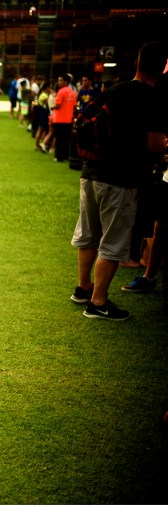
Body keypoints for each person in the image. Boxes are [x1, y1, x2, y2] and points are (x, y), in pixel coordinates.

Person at [70, 42, 168, 320]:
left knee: (89, 234)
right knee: (113, 241)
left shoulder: (114, 90)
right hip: (121, 178)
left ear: (137, 62)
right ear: (162, 68)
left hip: (91, 172)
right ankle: (98, 302)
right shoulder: (154, 99)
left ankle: (83, 288)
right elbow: (154, 145)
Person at [52, 74, 77, 162]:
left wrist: (52, 107)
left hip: (59, 119)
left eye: (60, 80)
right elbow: (74, 106)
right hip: (68, 119)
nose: (58, 82)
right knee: (66, 139)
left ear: (66, 82)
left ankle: (59, 157)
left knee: (59, 139)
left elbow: (58, 105)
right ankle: (65, 155)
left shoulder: (61, 91)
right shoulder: (72, 92)